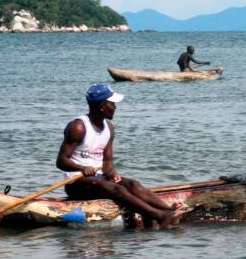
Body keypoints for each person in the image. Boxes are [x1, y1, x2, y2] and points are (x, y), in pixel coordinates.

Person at [56, 83, 183, 229]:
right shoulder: (78, 127)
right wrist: (81, 167)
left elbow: (107, 162)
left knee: (132, 184)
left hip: (99, 180)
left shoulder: (109, 127)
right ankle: (160, 216)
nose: (115, 107)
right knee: (119, 190)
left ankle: (169, 211)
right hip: (77, 184)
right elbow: (61, 161)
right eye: (113, 104)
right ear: (102, 106)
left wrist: (111, 172)